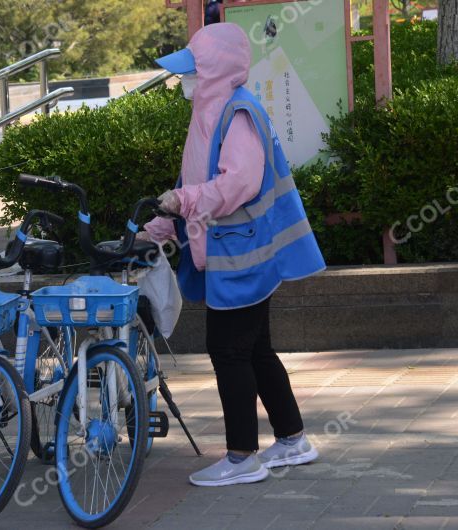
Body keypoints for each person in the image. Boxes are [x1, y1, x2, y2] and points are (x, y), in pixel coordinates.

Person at [139, 23, 325, 487]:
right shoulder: (213, 111)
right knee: (256, 348)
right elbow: (196, 181)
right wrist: (162, 226)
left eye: (192, 71)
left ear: (215, 71)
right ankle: (293, 440)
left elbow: (237, 183)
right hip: (236, 253)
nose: (185, 81)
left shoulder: (237, 113)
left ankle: (243, 457)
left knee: (227, 349)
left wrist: (182, 204)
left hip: (243, 256)